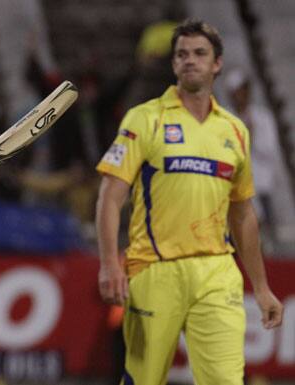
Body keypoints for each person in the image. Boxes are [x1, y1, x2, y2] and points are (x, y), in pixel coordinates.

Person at [95, 19, 283, 385]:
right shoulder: (145, 119)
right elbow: (109, 196)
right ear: (173, 64)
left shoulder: (234, 130)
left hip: (217, 273)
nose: (189, 60)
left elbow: (243, 214)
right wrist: (108, 263)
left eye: (199, 53)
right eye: (181, 54)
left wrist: (260, 287)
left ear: (217, 64)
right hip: (154, 270)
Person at [225, 68, 281, 250]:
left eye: (242, 90)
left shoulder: (263, 117)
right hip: (235, 186)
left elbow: (270, 150)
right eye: (235, 92)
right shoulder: (225, 119)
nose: (239, 96)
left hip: (261, 184)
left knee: (266, 234)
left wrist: (252, 136)